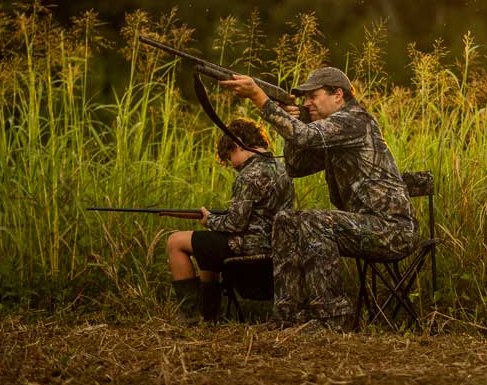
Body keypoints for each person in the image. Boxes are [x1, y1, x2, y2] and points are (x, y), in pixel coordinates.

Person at [220, 66, 418, 331]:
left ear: (338, 95)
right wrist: (291, 124)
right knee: (287, 220)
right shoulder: (332, 134)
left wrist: (259, 97)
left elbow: (305, 135)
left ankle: (332, 318)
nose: (306, 103)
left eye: (313, 96)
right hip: (365, 224)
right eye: (304, 98)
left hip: (393, 230)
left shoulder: (355, 120)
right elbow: (296, 167)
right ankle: (286, 316)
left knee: (315, 221)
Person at [166, 117, 294, 325]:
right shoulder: (282, 169)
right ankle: (209, 316)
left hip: (247, 246)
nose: (232, 164)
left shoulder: (249, 174)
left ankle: (189, 317)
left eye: (229, 155)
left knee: (175, 242)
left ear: (237, 145)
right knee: (205, 246)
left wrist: (209, 220)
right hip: (275, 247)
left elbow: (236, 224)